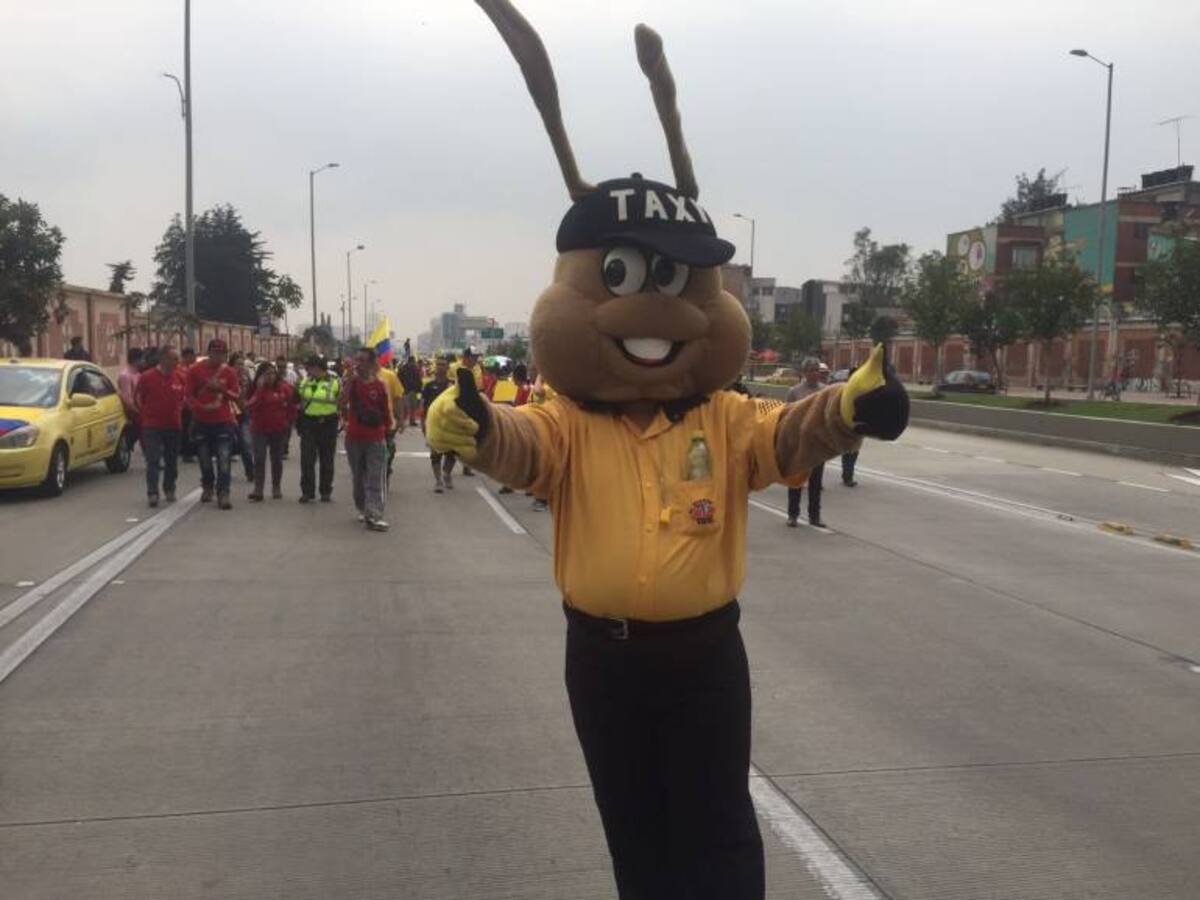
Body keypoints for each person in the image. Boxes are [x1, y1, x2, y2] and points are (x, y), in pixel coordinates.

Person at [429, 10, 909, 893]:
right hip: (601, 656)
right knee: (634, 827)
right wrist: (475, 425)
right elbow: (524, 446)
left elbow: (787, 433)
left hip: (702, 655)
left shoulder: (723, 417)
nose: (655, 313)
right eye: (621, 277)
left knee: (719, 831)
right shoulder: (570, 422)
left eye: (680, 281)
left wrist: (850, 404)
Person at [185, 338, 241, 509]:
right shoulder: (195, 371)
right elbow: (188, 396)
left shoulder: (229, 372)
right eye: (216, 353)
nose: (219, 357)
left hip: (223, 421)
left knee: (224, 459)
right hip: (202, 421)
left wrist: (221, 389)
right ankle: (207, 486)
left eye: (223, 354)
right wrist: (200, 407)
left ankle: (223, 493)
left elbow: (236, 395)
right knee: (205, 460)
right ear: (209, 353)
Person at [340, 347, 391, 531]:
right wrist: (348, 383)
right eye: (357, 359)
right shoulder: (352, 382)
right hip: (354, 437)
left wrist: (388, 431)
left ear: (371, 362)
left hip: (376, 437)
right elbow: (340, 403)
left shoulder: (379, 385)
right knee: (358, 477)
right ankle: (362, 507)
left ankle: (375, 514)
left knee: (375, 477)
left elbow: (385, 411)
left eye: (362, 360)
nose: (358, 363)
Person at [133, 346, 184, 507]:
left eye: (177, 359)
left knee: (171, 461)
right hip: (152, 426)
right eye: (173, 358)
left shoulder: (180, 377)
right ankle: (152, 492)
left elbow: (185, 398)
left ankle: (169, 488)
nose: (177, 362)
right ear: (163, 359)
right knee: (153, 460)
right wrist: (146, 414)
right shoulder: (147, 377)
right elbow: (138, 398)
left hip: (173, 425)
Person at [785, 358, 828, 528]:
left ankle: (815, 516)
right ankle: (793, 514)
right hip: (798, 445)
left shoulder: (826, 391)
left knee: (816, 483)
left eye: (817, 370)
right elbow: (786, 417)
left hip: (818, 445)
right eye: (810, 370)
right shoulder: (794, 392)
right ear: (804, 373)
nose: (814, 373)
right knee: (796, 480)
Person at [296, 355, 341, 503]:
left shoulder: (334, 383)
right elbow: (299, 400)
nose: (308, 370)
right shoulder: (305, 382)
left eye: (310, 367)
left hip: (328, 423)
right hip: (309, 423)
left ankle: (325, 490)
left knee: (327, 459)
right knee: (307, 459)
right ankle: (307, 492)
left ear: (318, 368)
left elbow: (341, 402)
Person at [246, 361, 292, 501]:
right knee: (259, 458)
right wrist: (259, 389)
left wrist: (287, 421)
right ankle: (258, 488)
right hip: (259, 429)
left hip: (278, 429)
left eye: (273, 373)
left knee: (276, 459)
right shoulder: (255, 389)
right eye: (267, 374)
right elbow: (249, 406)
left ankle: (276, 486)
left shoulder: (283, 388)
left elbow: (292, 404)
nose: (270, 377)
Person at [420, 355, 457, 493]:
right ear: (435, 367)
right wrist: (423, 424)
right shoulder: (429, 386)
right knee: (435, 454)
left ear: (448, 367)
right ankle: (438, 481)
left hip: (450, 425)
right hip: (434, 425)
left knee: (452, 454)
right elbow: (423, 406)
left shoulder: (453, 386)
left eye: (443, 364)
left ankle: (446, 473)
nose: (441, 367)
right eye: (439, 364)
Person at [228, 351, 255, 482]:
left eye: (242, 364)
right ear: (231, 365)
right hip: (228, 414)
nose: (240, 367)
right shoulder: (226, 377)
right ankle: (225, 473)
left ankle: (250, 472)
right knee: (226, 446)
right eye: (237, 364)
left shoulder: (246, 377)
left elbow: (252, 393)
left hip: (243, 414)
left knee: (246, 443)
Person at [377, 358, 406, 477]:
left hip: (387, 420)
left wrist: (400, 419)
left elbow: (398, 398)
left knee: (389, 447)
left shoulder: (389, 375)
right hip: (365, 422)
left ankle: (386, 467)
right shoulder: (359, 376)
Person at [117, 347, 144, 448]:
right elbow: (127, 397)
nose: (144, 362)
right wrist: (137, 411)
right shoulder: (126, 376)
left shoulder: (138, 375)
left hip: (138, 409)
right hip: (132, 412)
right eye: (142, 359)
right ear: (136, 360)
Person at [178, 347, 198, 462]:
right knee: (186, 428)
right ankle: (186, 453)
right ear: (187, 357)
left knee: (190, 428)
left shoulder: (192, 369)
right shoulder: (180, 370)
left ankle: (189, 451)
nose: (194, 358)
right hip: (184, 404)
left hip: (192, 403)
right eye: (192, 356)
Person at [398, 355, 424, 426]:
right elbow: (418, 379)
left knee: (404, 407)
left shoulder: (402, 368)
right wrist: (419, 389)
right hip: (413, 390)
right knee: (412, 406)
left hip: (404, 390)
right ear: (413, 361)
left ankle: (402, 421)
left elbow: (398, 378)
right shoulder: (415, 368)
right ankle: (412, 420)